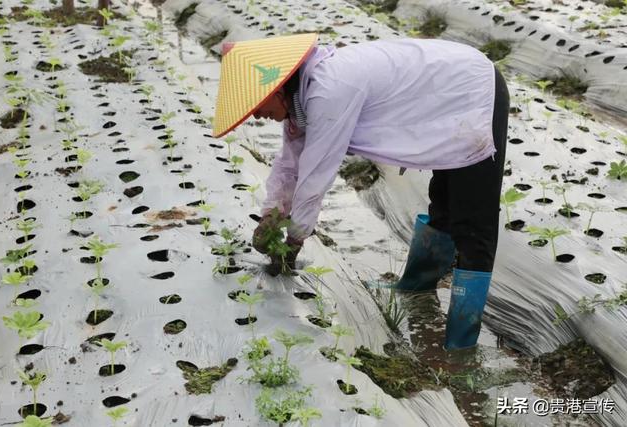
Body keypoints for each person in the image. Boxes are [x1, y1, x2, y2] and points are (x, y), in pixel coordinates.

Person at [212, 33, 510, 350]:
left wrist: (295, 239)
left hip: (471, 91)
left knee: (473, 221)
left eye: (257, 105)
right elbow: (289, 165)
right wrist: (271, 214)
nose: (256, 115)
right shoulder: (301, 101)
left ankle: (460, 344)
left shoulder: (327, 92)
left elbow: (315, 177)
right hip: (438, 97)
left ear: (277, 88)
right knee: (445, 201)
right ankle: (415, 287)